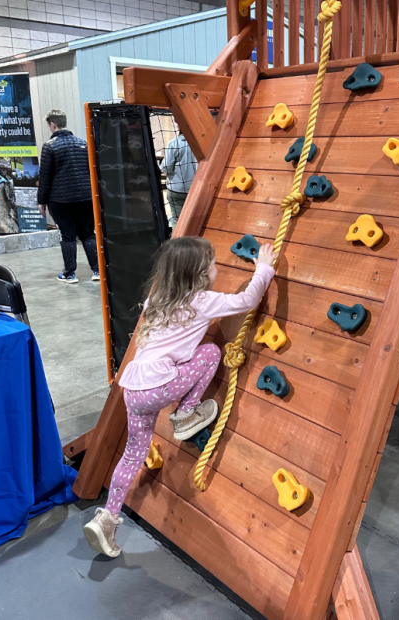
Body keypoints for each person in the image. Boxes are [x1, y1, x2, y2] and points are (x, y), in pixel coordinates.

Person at [83, 236, 277, 557]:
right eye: (213, 264)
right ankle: (185, 413)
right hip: (159, 385)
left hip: (133, 389)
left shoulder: (157, 298)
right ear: (200, 273)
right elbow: (247, 300)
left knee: (133, 453)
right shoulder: (203, 300)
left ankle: (108, 517)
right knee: (211, 352)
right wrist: (264, 270)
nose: (217, 268)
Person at [38, 109, 99, 284]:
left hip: (61, 200)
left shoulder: (50, 147)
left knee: (68, 235)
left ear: (52, 125)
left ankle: (70, 274)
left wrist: (41, 201)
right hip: (86, 198)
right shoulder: (83, 144)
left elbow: (45, 177)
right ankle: (96, 270)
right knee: (88, 234)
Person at [160, 132, 198, 230]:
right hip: (195, 190)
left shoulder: (174, 143)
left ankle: (176, 244)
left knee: (177, 222)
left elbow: (166, 168)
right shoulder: (200, 144)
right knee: (194, 222)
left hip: (176, 190)